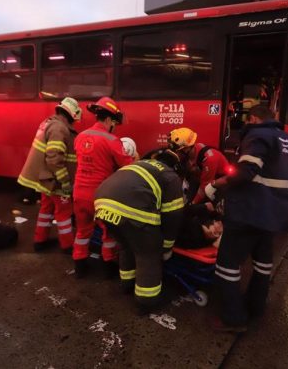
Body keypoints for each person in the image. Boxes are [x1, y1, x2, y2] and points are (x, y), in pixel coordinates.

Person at [204, 104, 288, 332]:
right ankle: (256, 307)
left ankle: (233, 319)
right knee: (262, 264)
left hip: (250, 212)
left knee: (227, 264)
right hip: (276, 215)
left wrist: (218, 184)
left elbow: (247, 170)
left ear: (254, 118)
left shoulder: (258, 135)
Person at [94, 149, 184, 314]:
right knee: (148, 254)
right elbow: (173, 216)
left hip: (101, 203)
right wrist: (166, 247)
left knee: (127, 245)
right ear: (175, 166)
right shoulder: (171, 177)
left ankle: (127, 285)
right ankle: (146, 302)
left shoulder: (138, 165)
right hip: (132, 210)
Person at [72, 97, 135, 278]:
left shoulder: (80, 136)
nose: (114, 126)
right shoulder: (111, 140)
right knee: (108, 232)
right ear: (108, 119)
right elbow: (127, 166)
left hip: (79, 193)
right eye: (114, 122)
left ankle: (79, 266)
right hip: (100, 195)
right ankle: (108, 266)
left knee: (83, 230)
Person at [18, 97, 82, 252]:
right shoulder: (59, 129)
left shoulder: (50, 123)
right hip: (56, 181)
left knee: (46, 209)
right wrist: (65, 181)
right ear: (71, 115)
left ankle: (40, 241)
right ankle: (67, 246)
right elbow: (54, 158)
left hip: (46, 179)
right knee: (64, 213)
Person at [168, 127, 231, 204]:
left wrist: (192, 205)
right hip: (202, 179)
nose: (176, 154)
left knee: (207, 192)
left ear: (186, 149)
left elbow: (204, 187)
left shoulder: (209, 158)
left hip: (219, 185)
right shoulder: (188, 155)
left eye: (177, 151)